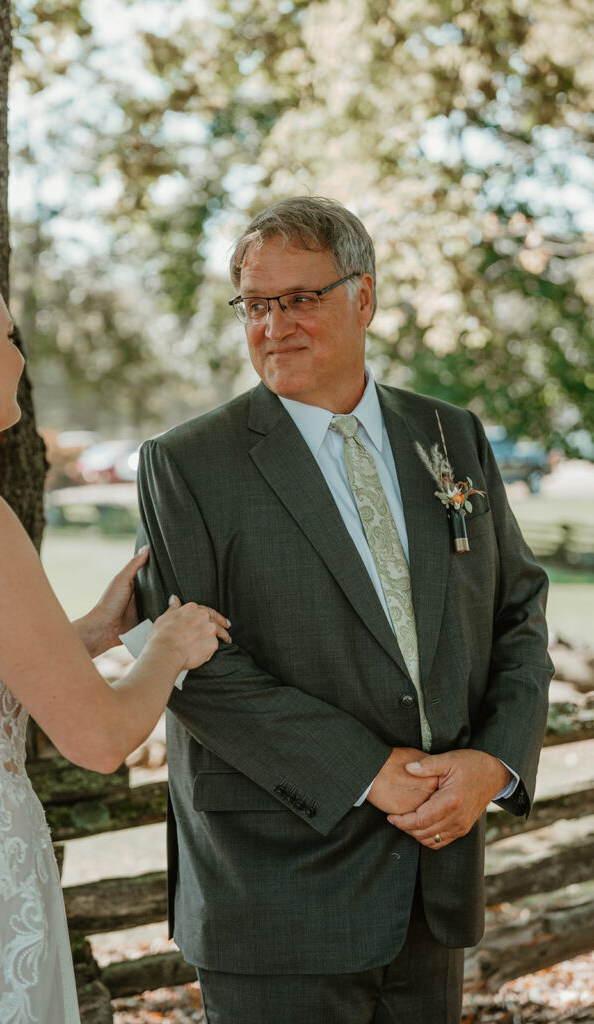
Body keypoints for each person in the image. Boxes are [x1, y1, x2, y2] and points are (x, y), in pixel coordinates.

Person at [134, 197, 553, 1023]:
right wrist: (366, 772)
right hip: (275, 889)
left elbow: (519, 611)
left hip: (434, 874)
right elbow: (190, 667)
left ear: (362, 297)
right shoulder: (187, 463)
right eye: (256, 304)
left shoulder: (450, 436)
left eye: (301, 298)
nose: (274, 325)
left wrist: (491, 765)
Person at [0, 247, 230, 1024]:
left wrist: (87, 633)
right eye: (8, 336)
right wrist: (170, 646)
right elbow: (97, 737)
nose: (20, 358)